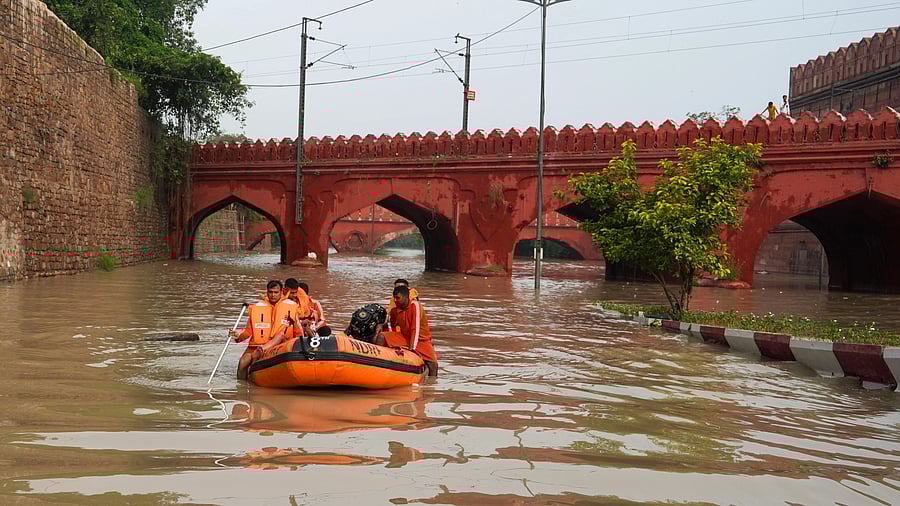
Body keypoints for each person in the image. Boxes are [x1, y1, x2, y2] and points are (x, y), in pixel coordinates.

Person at [231, 280, 282, 380]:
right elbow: (248, 332)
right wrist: (237, 337)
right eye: (270, 292)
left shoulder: (289, 307)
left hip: (278, 344)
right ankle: (242, 389)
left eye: (276, 292)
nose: (273, 295)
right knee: (242, 363)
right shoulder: (257, 308)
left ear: (281, 292)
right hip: (256, 345)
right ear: (266, 292)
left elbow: (297, 331)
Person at [389, 285, 438, 377]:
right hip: (404, 337)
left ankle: (431, 386)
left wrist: (412, 349)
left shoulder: (415, 306)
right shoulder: (394, 310)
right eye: (394, 298)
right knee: (381, 337)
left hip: (421, 340)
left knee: (433, 365)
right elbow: (392, 326)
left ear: (406, 297)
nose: (395, 300)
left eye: (397, 298)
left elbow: (415, 329)